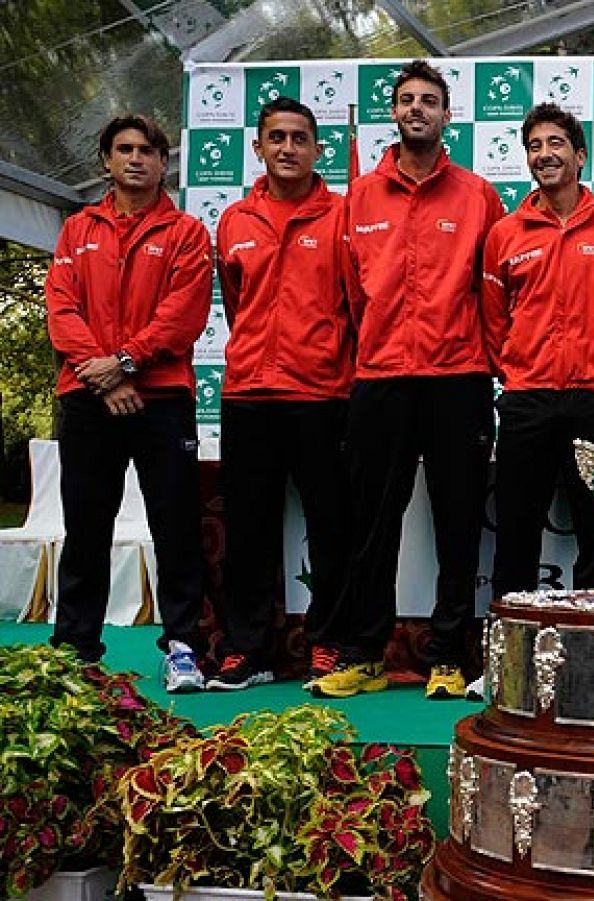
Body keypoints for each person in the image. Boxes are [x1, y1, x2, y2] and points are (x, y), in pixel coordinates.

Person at [308, 60, 506, 700]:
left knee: (456, 522)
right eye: (406, 100)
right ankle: (365, 653)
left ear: (447, 115)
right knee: (371, 522)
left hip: (460, 379)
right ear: (394, 113)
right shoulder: (359, 198)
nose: (417, 108)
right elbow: (347, 291)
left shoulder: (478, 195)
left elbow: (494, 291)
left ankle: (448, 657)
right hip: (381, 377)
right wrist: (380, 349)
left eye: (429, 100)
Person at [44, 114, 211, 691]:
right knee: (86, 525)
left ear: (164, 163)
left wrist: (128, 363)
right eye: (124, 149)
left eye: (148, 150)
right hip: (89, 397)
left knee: (176, 525)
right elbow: (62, 310)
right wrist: (106, 376)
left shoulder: (187, 232)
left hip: (162, 396)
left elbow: (184, 315)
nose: (136, 159)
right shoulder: (76, 230)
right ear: (106, 161)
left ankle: (184, 646)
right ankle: (75, 650)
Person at [210, 97, 355, 691]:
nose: (288, 148)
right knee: (248, 530)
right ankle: (249, 651)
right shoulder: (235, 220)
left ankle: (330, 643)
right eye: (277, 137)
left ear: (318, 150)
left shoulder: (343, 217)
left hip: (322, 395)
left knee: (332, 527)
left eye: (300, 138)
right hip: (249, 394)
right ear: (259, 147)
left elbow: (356, 303)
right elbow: (235, 297)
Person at [482, 103, 594, 598]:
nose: (544, 155)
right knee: (516, 534)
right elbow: (492, 318)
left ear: (580, 156)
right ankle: (509, 658)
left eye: (555, 144)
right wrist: (520, 369)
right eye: (534, 146)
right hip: (528, 399)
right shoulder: (504, 233)